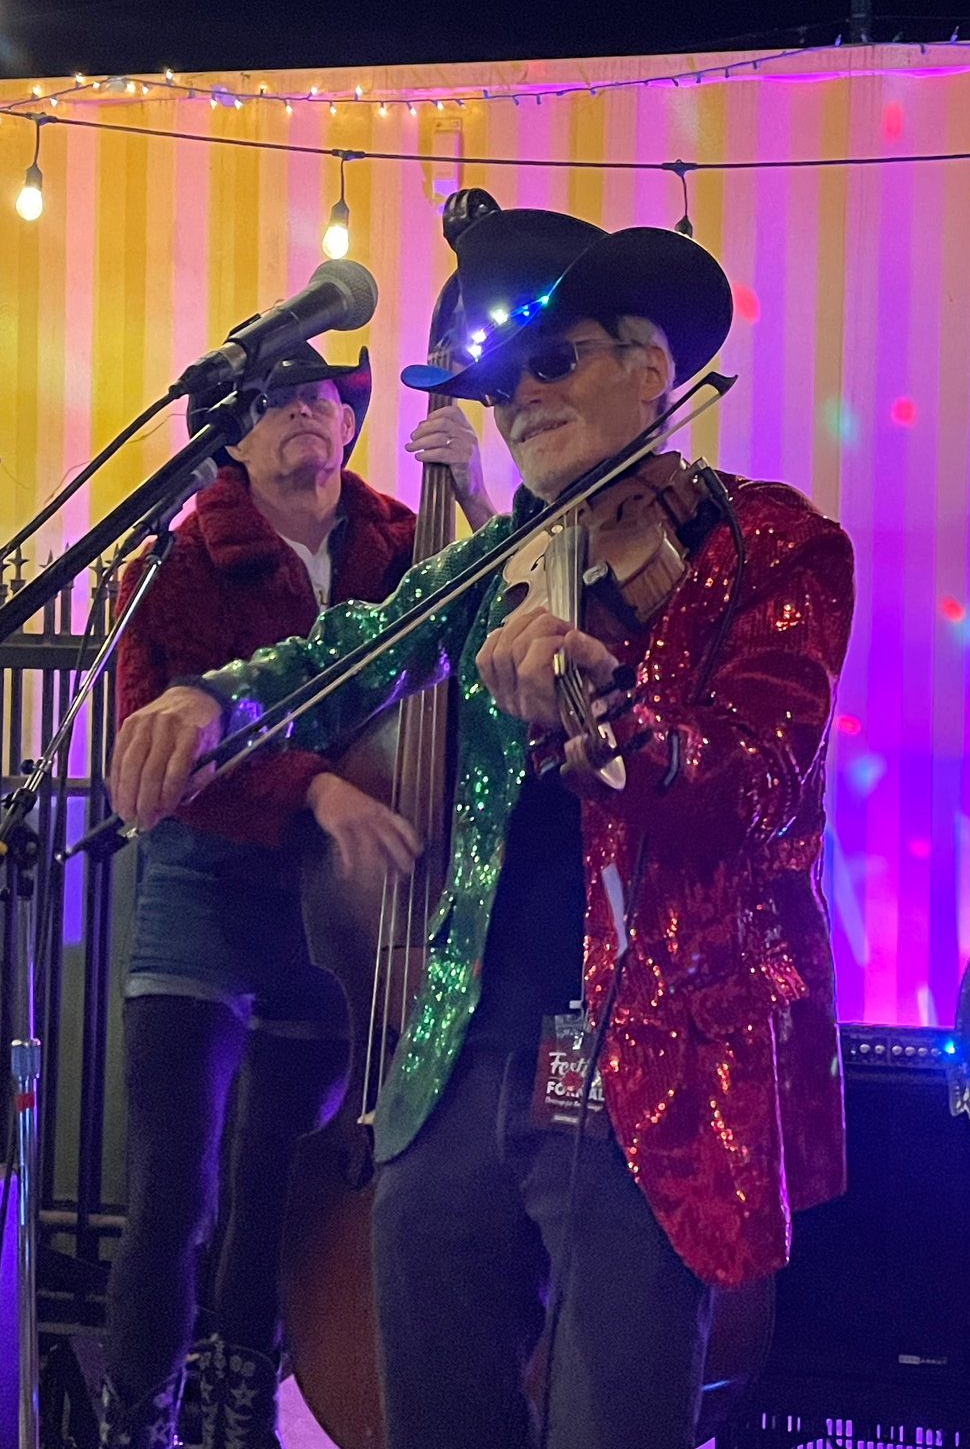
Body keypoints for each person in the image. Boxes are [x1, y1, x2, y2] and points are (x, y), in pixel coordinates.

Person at [109, 207, 855, 1449]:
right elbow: (351, 648)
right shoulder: (495, 562)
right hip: (466, 1045)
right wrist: (213, 697)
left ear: (653, 367)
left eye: (550, 362)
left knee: (614, 1421)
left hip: (652, 1055)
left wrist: (613, 716)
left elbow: (762, 779)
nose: (519, 404)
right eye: (500, 387)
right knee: (433, 1393)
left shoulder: (772, 545)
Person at [102, 338, 495, 1449]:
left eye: (325, 397)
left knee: (280, 1183)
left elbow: (497, 614)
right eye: (277, 401)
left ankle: (242, 1412)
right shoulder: (171, 565)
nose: (307, 413)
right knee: (173, 1188)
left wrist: (476, 493)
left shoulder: (408, 541)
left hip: (342, 904)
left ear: (352, 422)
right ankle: (139, 1418)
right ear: (231, 437)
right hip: (208, 883)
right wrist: (319, 789)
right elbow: (163, 761)